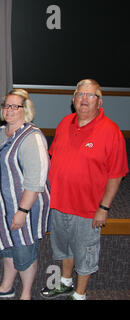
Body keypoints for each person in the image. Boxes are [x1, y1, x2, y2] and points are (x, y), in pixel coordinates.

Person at [40, 79, 128, 300]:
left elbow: (116, 174)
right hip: (59, 203)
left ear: (100, 101)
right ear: (73, 100)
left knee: (85, 253)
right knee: (63, 248)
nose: (84, 99)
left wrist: (104, 208)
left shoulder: (111, 131)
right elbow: (55, 159)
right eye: (80, 95)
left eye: (90, 95)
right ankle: (66, 283)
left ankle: (80, 294)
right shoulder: (64, 122)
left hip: (88, 208)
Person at [0, 89, 50, 300]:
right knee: (7, 246)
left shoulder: (32, 137)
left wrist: (22, 211)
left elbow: (36, 181)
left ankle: (26, 294)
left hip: (24, 205)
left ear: (25, 110)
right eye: (6, 106)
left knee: (24, 250)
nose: (9, 110)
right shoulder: (2, 132)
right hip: (3, 204)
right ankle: (6, 288)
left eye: (15, 106)